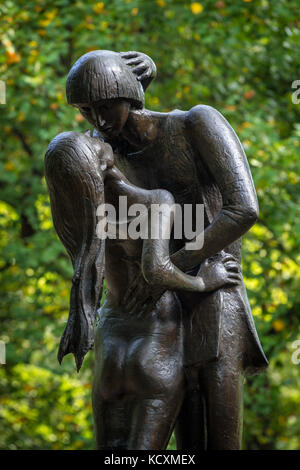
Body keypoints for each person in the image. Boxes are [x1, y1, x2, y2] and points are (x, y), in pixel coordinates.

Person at [64, 49, 268, 450]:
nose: (99, 120)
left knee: (217, 432)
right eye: (88, 110)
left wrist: (174, 264)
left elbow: (243, 208)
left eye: (107, 106)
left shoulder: (196, 123)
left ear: (131, 95)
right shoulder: (105, 153)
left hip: (211, 288)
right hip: (154, 304)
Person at [45, 130, 241, 449]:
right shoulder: (153, 201)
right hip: (154, 344)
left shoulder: (81, 221)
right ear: (98, 163)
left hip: (110, 348)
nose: (93, 133)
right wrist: (205, 280)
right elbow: (157, 270)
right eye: (91, 142)